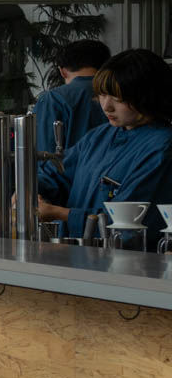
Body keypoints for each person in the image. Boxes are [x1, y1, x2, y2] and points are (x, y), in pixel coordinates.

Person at [36, 48, 172, 245]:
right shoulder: (99, 136)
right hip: (81, 256)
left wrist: (59, 213)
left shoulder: (162, 147)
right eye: (101, 95)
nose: (106, 106)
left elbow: (126, 220)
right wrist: (32, 191)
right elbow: (56, 173)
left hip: (133, 263)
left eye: (118, 98)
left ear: (147, 96)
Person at [31, 38, 111, 156]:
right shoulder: (121, 93)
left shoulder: (53, 99)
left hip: (69, 173)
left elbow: (45, 156)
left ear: (62, 71)